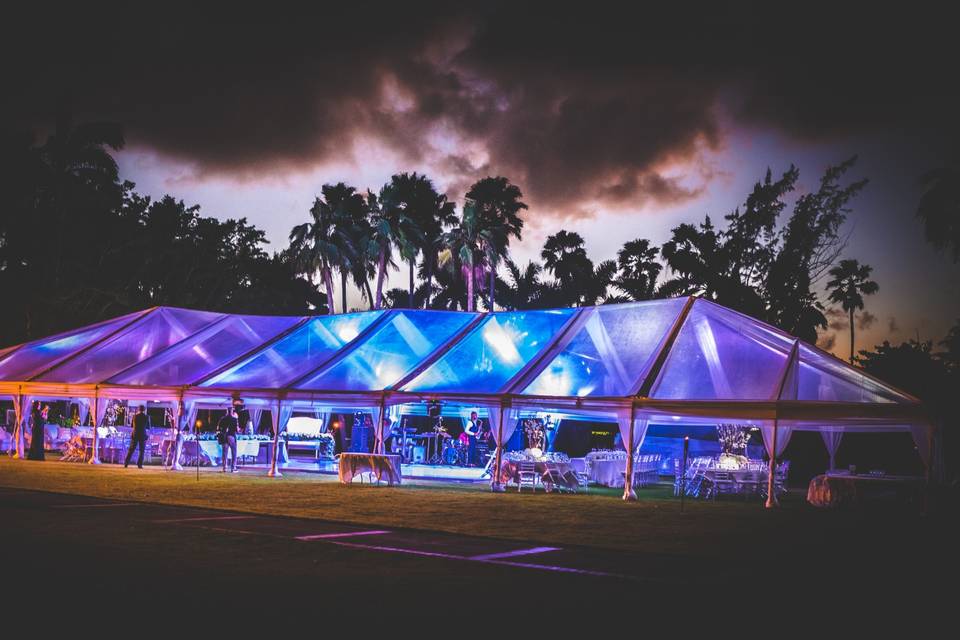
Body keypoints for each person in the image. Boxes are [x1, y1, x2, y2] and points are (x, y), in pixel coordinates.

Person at [216, 407, 240, 473]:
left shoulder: (222, 419)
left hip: (224, 436)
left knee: (224, 453)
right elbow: (237, 430)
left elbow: (218, 428)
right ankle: (233, 468)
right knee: (234, 452)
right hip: (231, 436)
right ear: (232, 411)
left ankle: (224, 468)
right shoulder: (234, 419)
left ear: (227, 411)